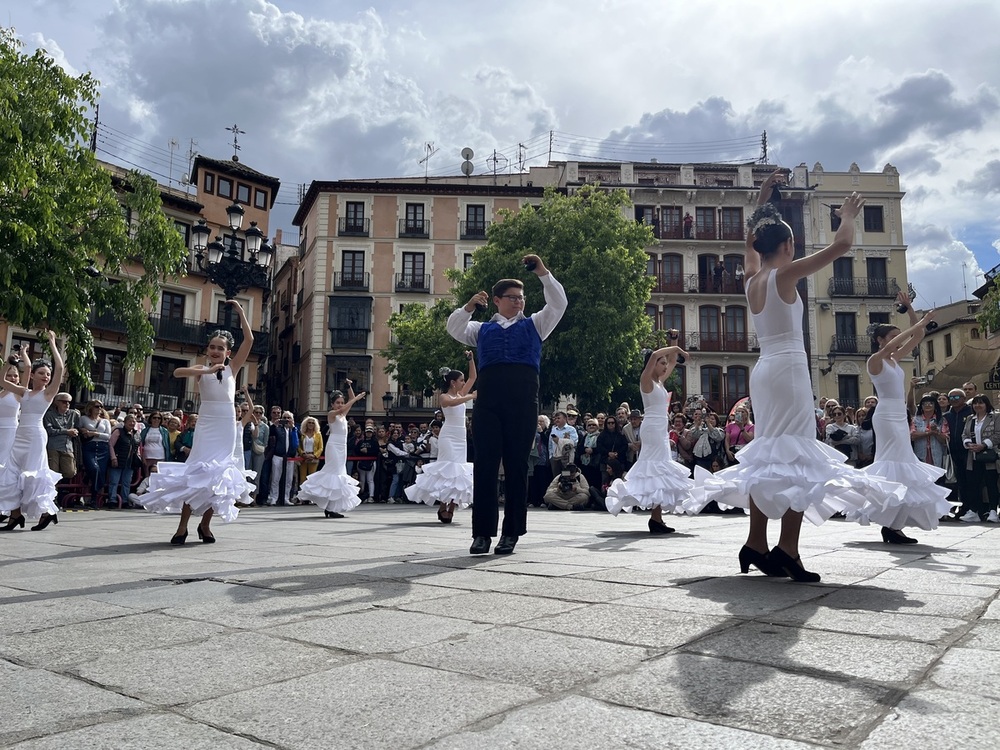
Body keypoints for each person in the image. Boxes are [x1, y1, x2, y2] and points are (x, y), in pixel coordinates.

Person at [691, 170, 904, 582]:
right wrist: (846, 214)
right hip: (788, 369)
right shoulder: (785, 274)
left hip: (764, 371)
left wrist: (760, 201)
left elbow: (748, 245)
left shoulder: (752, 279)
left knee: (770, 455)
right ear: (788, 244)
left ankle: (756, 542)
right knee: (796, 457)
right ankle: (787, 549)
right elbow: (842, 244)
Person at [447, 253, 567, 555]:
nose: (519, 302)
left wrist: (542, 272)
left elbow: (558, 304)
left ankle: (510, 533)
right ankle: (482, 534)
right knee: (485, 466)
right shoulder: (480, 330)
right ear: (497, 300)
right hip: (488, 403)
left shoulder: (536, 325)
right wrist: (468, 306)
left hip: (523, 402)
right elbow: (454, 328)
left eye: (521, 298)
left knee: (516, 467)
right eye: (512, 297)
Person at [142, 301, 254, 544]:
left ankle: (205, 525)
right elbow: (177, 373)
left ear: (228, 353)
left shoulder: (233, 369)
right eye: (212, 347)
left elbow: (250, 340)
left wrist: (241, 313)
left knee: (219, 476)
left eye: (220, 348)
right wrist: (207, 371)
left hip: (226, 427)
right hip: (207, 425)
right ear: (207, 350)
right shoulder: (202, 368)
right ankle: (182, 527)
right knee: (196, 474)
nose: (215, 351)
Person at [858, 315, 953, 542]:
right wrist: (916, 325)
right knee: (893, 463)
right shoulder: (875, 360)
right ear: (880, 340)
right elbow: (896, 343)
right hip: (886, 415)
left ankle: (893, 525)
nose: (896, 341)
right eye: (891, 336)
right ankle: (889, 524)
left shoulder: (895, 359)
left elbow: (918, 336)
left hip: (900, 414)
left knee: (904, 464)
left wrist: (913, 314)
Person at [606, 344, 691, 533]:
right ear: (651, 365)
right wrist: (676, 347)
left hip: (660, 428)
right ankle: (653, 516)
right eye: (660, 363)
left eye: (664, 363)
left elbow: (671, 362)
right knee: (655, 468)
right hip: (652, 428)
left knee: (658, 471)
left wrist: (675, 350)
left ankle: (656, 518)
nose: (664, 366)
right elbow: (654, 355)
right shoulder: (646, 380)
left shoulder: (660, 383)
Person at [0, 331, 64, 531]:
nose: (46, 376)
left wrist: (53, 343)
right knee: (9, 475)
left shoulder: (48, 393)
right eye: (42, 373)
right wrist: (9, 362)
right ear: (34, 376)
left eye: (47, 374)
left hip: (36, 437)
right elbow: (2, 382)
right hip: (19, 437)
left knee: (33, 476)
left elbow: (60, 368)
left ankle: (47, 512)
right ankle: (15, 515)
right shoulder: (24, 392)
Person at [406, 352, 477, 522]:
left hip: (460, 436)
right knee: (448, 470)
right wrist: (471, 396)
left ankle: (451, 506)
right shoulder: (445, 396)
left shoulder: (460, 395)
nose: (462, 383)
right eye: (460, 380)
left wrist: (470, 359)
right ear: (453, 382)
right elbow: (449, 404)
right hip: (449, 435)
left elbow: (473, 377)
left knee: (458, 472)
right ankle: (442, 506)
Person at [296, 381, 367, 517]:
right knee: (333, 474)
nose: (340, 405)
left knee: (339, 475)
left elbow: (350, 402)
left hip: (342, 446)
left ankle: (331, 508)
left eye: (341, 402)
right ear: (332, 404)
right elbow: (347, 405)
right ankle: (330, 508)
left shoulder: (343, 416)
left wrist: (349, 387)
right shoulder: (332, 414)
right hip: (334, 446)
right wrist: (357, 398)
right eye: (338, 402)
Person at [961, 394, 1000, 523]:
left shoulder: (995, 417)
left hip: (989, 456)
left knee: (991, 484)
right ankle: (974, 511)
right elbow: (964, 434)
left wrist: (983, 445)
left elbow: (998, 434)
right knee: (973, 484)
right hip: (973, 456)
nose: (978, 406)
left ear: (986, 404)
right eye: (975, 403)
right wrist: (968, 443)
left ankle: (993, 511)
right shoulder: (970, 419)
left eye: (981, 403)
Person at [0, 350, 26, 522]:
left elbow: (26, 375)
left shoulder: (18, 392)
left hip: (10, 433)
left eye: (15, 376)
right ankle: (8, 511)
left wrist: (20, 359)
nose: (12, 378)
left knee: (6, 472)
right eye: (9, 376)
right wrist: (9, 362)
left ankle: (13, 512)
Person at [944, 387, 975, 519]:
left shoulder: (970, 413)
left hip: (968, 452)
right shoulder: (946, 416)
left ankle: (973, 507)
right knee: (959, 481)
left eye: (957, 397)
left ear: (963, 399)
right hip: (953, 453)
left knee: (971, 480)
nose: (954, 400)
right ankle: (963, 506)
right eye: (951, 397)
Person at [107, 414, 140, 508]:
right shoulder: (118, 431)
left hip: (130, 462)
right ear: (125, 422)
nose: (132, 423)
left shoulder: (137, 433)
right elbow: (111, 445)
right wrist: (113, 458)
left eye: (133, 421)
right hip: (118, 459)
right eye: (129, 421)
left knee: (127, 482)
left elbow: (137, 447)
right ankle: (112, 500)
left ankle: (125, 501)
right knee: (114, 482)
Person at [267, 411, 299, 505]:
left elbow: (296, 443)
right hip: (278, 456)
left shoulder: (293, 430)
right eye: (285, 418)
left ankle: (286, 498)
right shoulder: (278, 428)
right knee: (275, 478)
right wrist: (274, 425)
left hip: (290, 458)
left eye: (289, 418)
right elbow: (271, 433)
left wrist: (293, 428)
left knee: (288, 479)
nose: (287, 420)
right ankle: (274, 497)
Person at [297, 416, 324, 493]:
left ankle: (311, 496)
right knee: (302, 478)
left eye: (312, 423)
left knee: (312, 478)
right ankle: (302, 496)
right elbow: (298, 446)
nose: (311, 424)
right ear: (306, 423)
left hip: (313, 458)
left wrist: (314, 455)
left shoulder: (318, 434)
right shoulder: (302, 434)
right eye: (309, 422)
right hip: (303, 458)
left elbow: (321, 447)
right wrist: (302, 453)